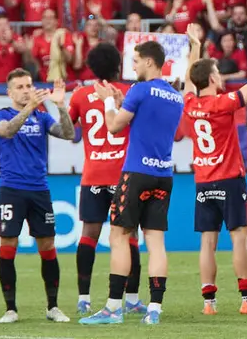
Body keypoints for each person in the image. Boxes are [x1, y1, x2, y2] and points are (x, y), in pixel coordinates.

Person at [80, 40, 185, 326]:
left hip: (136, 173)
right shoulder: (175, 96)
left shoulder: (139, 89)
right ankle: (154, 309)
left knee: (119, 236)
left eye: (136, 60)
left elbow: (114, 126)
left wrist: (107, 102)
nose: (133, 65)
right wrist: (120, 103)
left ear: (149, 61)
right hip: (164, 174)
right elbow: (148, 121)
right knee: (156, 241)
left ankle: (113, 308)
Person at [183, 19, 247, 315]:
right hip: (229, 180)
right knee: (240, 237)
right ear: (213, 78)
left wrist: (195, 47)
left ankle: (208, 304)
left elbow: (189, 80)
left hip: (203, 181)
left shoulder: (190, 104)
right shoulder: (223, 103)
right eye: (217, 72)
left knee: (207, 241)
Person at [0, 71, 75, 324]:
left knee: (47, 246)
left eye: (29, 85)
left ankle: (53, 307)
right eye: (20, 87)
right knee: (8, 244)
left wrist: (61, 106)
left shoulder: (42, 117)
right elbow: (7, 131)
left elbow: (68, 134)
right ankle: (10, 309)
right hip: (11, 189)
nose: (26, 90)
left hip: (39, 189)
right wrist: (29, 108)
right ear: (9, 92)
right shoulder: (0, 115)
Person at [68, 42, 145, 316]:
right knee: (129, 234)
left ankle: (83, 298)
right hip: (124, 174)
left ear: (91, 67)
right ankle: (132, 299)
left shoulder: (80, 95)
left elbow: (70, 132)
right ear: (118, 65)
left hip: (92, 175)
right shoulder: (130, 92)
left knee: (88, 234)